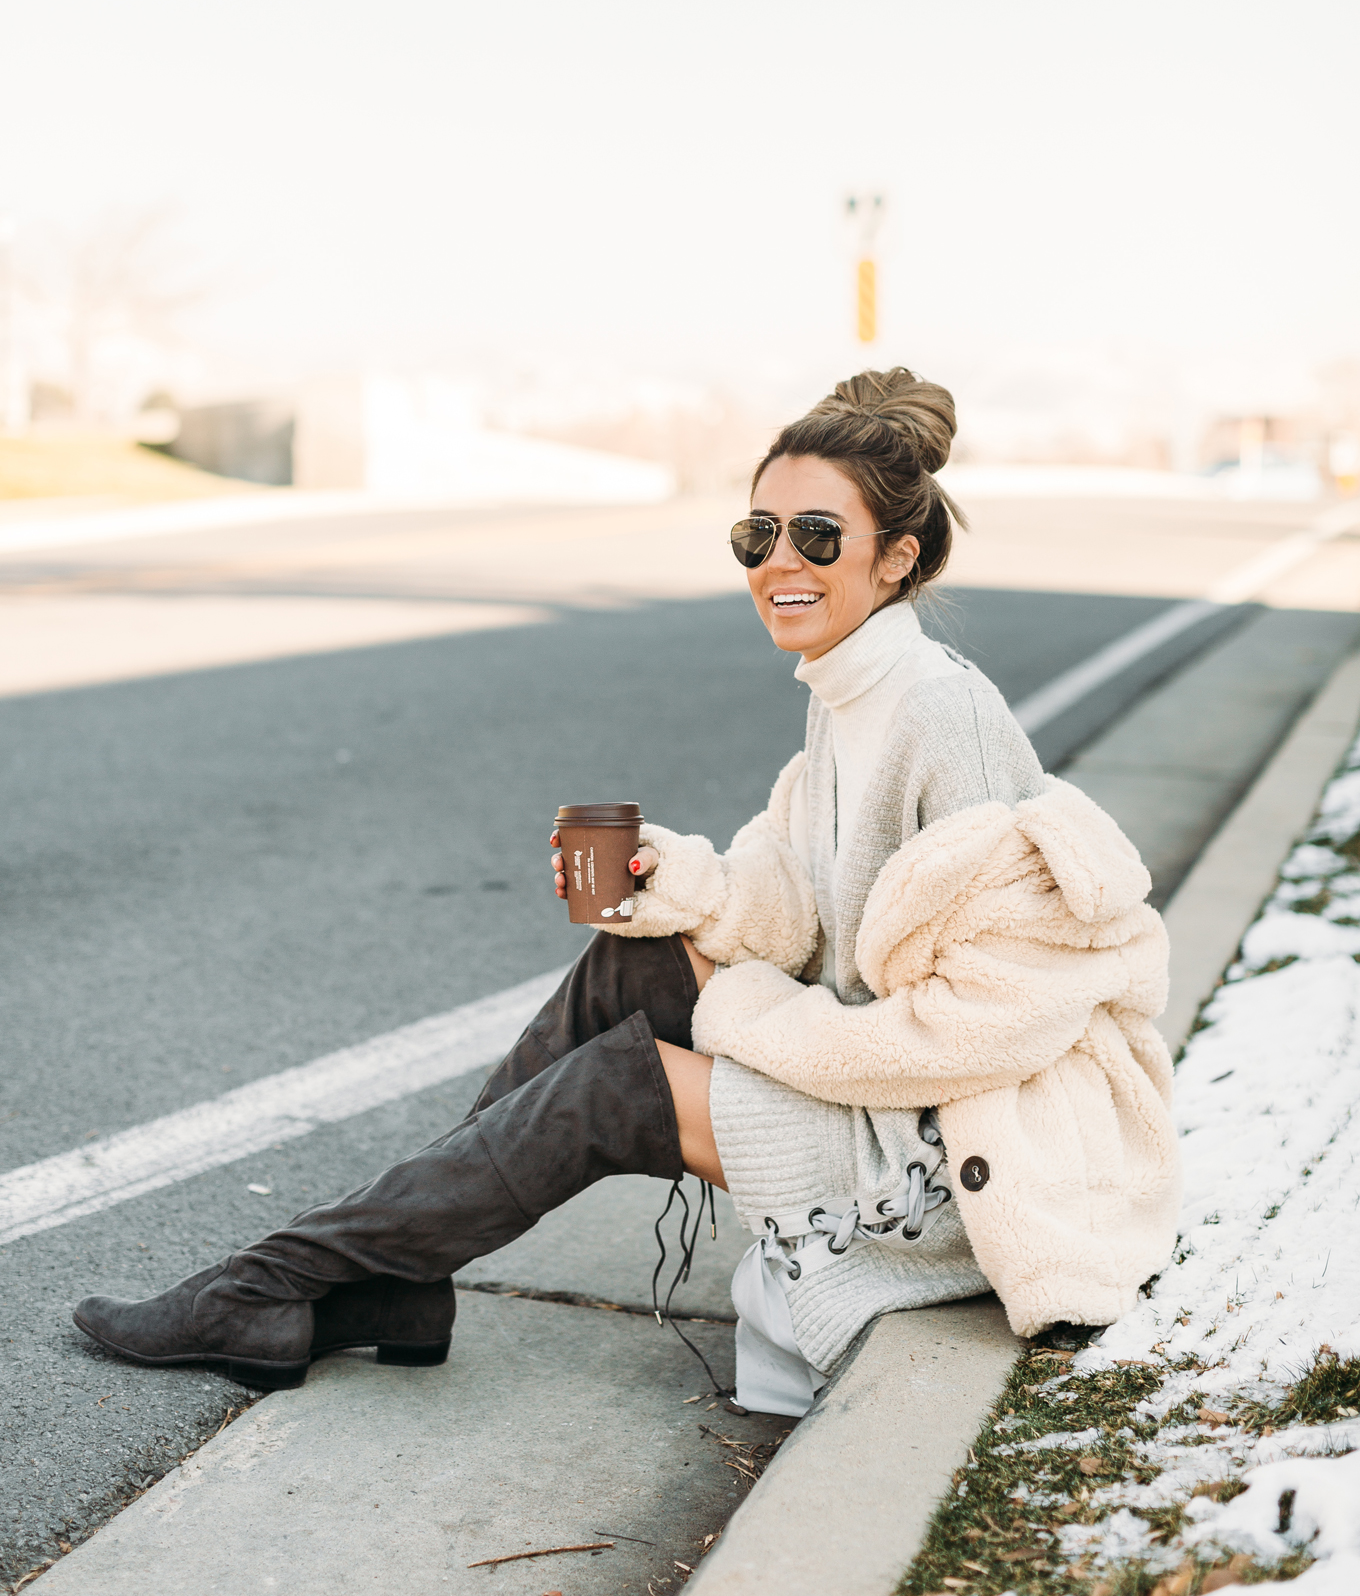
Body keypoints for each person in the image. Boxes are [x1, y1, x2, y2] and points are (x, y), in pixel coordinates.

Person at [74, 368, 1181, 1415]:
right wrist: (677, 883)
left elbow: (991, 1026)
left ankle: (270, 1284)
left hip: (962, 1158)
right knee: (634, 963)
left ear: (895, 557)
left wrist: (748, 1021)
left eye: (816, 535)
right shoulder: (849, 698)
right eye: (757, 534)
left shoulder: (945, 717)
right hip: (895, 1092)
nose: (778, 561)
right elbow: (803, 910)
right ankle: (389, 1278)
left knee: (615, 1089)